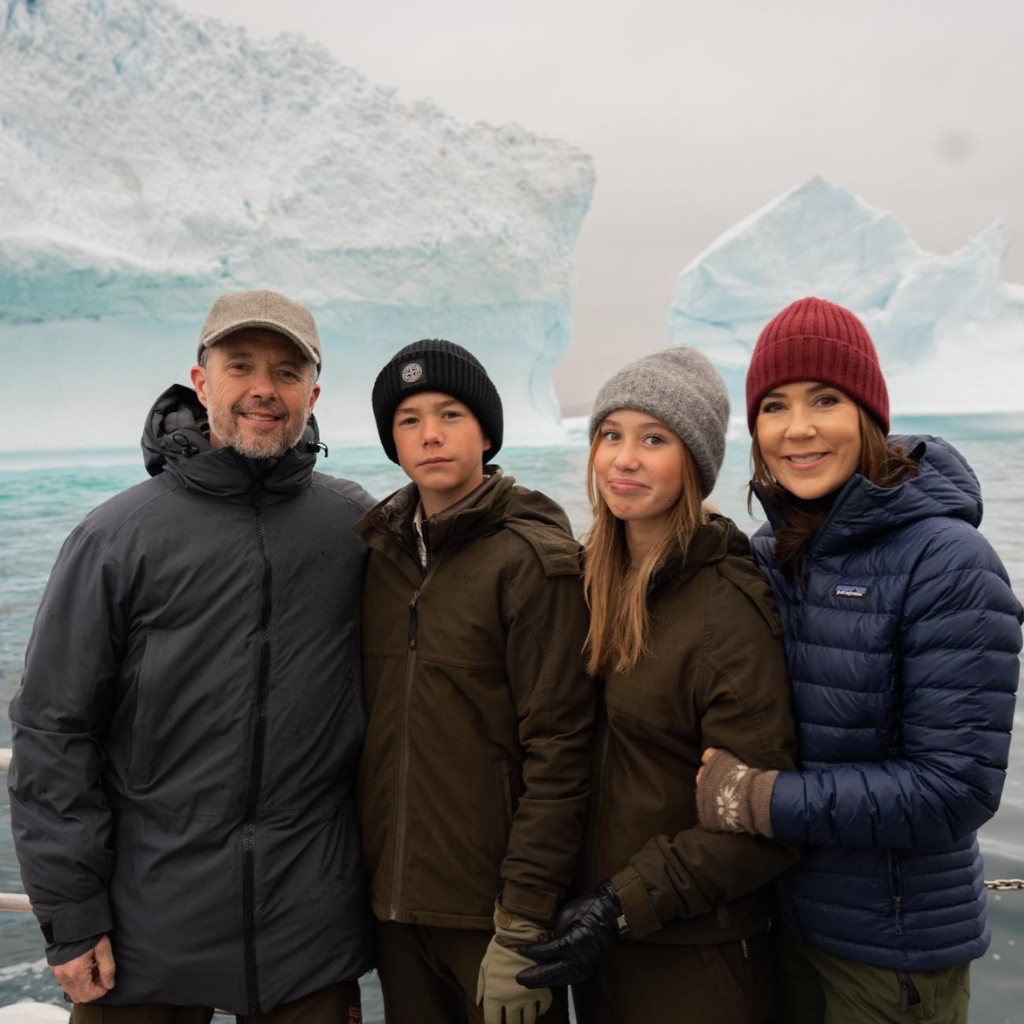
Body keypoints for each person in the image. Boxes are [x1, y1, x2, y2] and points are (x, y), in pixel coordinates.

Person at [8, 290, 374, 1022]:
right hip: (147, 929)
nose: (263, 389)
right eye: (240, 365)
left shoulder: (355, 527)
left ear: (314, 392)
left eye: (286, 370)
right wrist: (72, 914)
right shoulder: (116, 538)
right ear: (202, 382)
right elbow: (54, 733)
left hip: (308, 929)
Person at [695, 296, 1024, 1024]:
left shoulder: (949, 564)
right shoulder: (773, 554)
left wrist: (758, 799)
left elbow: (956, 789)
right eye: (774, 405)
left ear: (868, 415)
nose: (799, 427)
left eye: (825, 399)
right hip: (786, 927)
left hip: (891, 958)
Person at [516, 348, 800, 1024]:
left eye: (654, 439)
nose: (624, 458)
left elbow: (764, 823)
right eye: (611, 435)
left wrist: (620, 903)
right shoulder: (589, 581)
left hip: (695, 954)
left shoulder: (726, 608)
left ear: (694, 464)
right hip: (604, 950)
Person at [356, 339, 594, 1024]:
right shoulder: (380, 557)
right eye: (408, 420)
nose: (429, 435)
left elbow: (562, 751)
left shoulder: (532, 562)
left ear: (486, 431)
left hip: (492, 913)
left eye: (450, 414)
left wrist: (523, 920)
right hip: (396, 909)